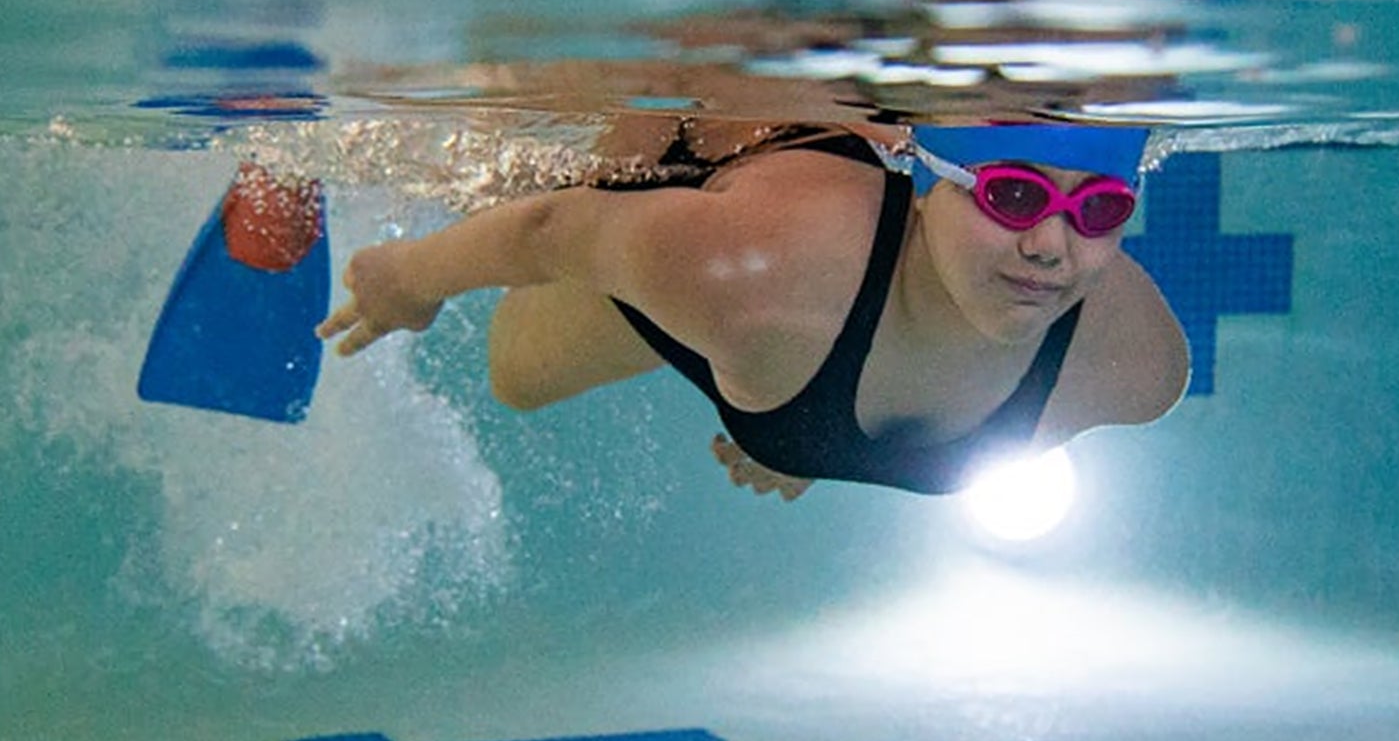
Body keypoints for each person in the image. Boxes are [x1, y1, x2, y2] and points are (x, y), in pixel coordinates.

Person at [318, 120, 1189, 499]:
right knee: (548, 265)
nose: (1051, 247)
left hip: (775, 337)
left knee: (525, 367)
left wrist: (820, 424)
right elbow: (555, 229)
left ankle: (664, 280)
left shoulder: (1132, 366)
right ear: (926, 187)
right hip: (712, 162)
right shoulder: (763, 280)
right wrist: (409, 275)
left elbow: (997, 428)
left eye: (1099, 211)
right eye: (1010, 198)